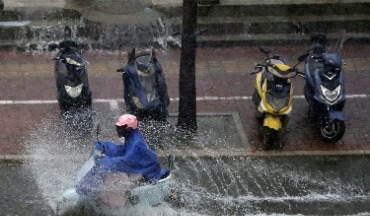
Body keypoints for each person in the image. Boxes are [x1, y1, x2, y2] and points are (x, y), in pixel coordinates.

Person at [75, 114, 169, 202]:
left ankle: (117, 205)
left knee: (113, 175)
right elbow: (121, 150)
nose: (118, 130)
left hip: (146, 173)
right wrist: (105, 146)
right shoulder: (132, 137)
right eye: (118, 127)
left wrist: (107, 162)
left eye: (121, 127)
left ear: (128, 128)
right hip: (142, 168)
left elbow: (127, 161)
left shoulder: (136, 144)